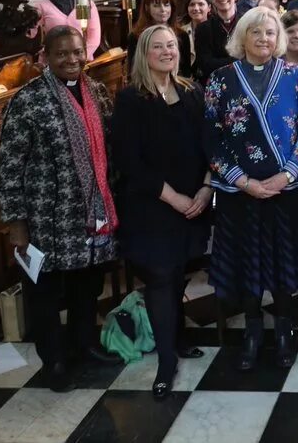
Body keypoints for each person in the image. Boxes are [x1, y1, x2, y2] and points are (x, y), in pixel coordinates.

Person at [0, 26, 121, 391]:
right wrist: (16, 224)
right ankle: (53, 360)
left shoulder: (96, 92)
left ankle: (84, 344)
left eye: (77, 52)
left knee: (87, 282)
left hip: (90, 209)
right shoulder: (28, 100)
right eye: (62, 53)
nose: (71, 59)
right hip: (45, 215)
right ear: (46, 57)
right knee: (45, 291)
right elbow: (9, 167)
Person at [203, 6, 298, 371]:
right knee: (246, 261)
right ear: (242, 37)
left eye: (270, 32)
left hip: (287, 190)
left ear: (278, 38)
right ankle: (252, 328)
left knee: (283, 260)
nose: (263, 38)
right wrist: (242, 180)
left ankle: (284, 328)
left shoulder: (296, 77)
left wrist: (285, 176)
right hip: (240, 192)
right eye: (256, 32)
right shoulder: (220, 78)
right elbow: (211, 136)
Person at [110, 25, 211, 399]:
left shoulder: (191, 91)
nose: (167, 51)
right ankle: (166, 360)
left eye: (172, 45)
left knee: (182, 270)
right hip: (152, 206)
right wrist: (174, 198)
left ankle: (178, 338)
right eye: (158, 46)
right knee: (160, 278)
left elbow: (209, 145)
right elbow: (129, 161)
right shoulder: (132, 99)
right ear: (144, 53)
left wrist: (204, 187)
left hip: (194, 200)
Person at [125, 0, 192, 77]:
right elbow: (132, 70)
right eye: (156, 5)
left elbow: (186, 71)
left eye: (166, 5)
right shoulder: (136, 36)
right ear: (147, 8)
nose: (163, 10)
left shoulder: (182, 35)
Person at [193, 0, 241, 84]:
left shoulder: (247, 23)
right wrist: (239, 61)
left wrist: (219, 62)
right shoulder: (203, 29)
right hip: (215, 84)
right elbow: (205, 65)